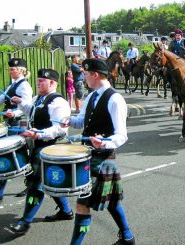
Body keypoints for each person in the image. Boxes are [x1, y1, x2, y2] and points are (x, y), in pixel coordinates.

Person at [62, 58, 135, 245]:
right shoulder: (91, 96)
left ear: (95, 74)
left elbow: (121, 135)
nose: (83, 77)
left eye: (85, 74)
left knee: (82, 204)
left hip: (103, 157)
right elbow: (82, 121)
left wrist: (102, 142)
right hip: (87, 155)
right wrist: (69, 120)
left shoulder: (115, 99)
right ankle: (127, 237)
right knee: (112, 202)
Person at [8, 68, 73, 234]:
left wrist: (38, 133)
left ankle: (25, 221)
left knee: (35, 185)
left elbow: (60, 129)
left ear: (52, 82)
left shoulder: (59, 102)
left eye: (42, 81)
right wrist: (18, 104)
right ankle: (66, 211)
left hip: (52, 146)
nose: (38, 83)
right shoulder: (39, 99)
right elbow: (30, 110)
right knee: (50, 182)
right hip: (39, 144)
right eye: (38, 80)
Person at [0, 58, 33, 202]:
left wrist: (15, 113)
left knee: (12, 154)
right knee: (15, 155)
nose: (10, 71)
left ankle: (0, 192)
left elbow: (27, 106)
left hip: (20, 122)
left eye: (13, 69)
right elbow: (0, 101)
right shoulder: (12, 84)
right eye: (10, 69)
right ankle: (27, 184)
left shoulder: (24, 86)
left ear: (21, 70)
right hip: (11, 123)